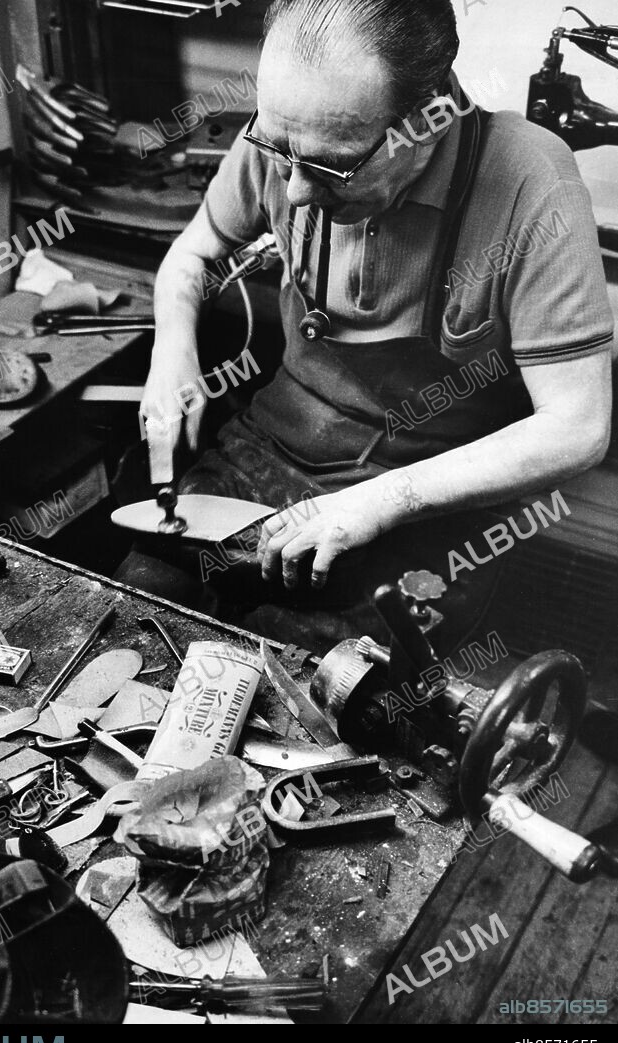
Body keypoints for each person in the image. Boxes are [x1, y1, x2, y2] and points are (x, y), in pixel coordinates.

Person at [116, 0, 613, 655]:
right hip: (271, 444)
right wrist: (173, 352)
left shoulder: (530, 181)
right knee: (140, 606)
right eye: (277, 149)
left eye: (329, 166)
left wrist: (379, 501)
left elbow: (577, 426)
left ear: (428, 123)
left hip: (428, 489)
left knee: (325, 687)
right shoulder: (297, 130)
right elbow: (195, 252)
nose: (291, 190)